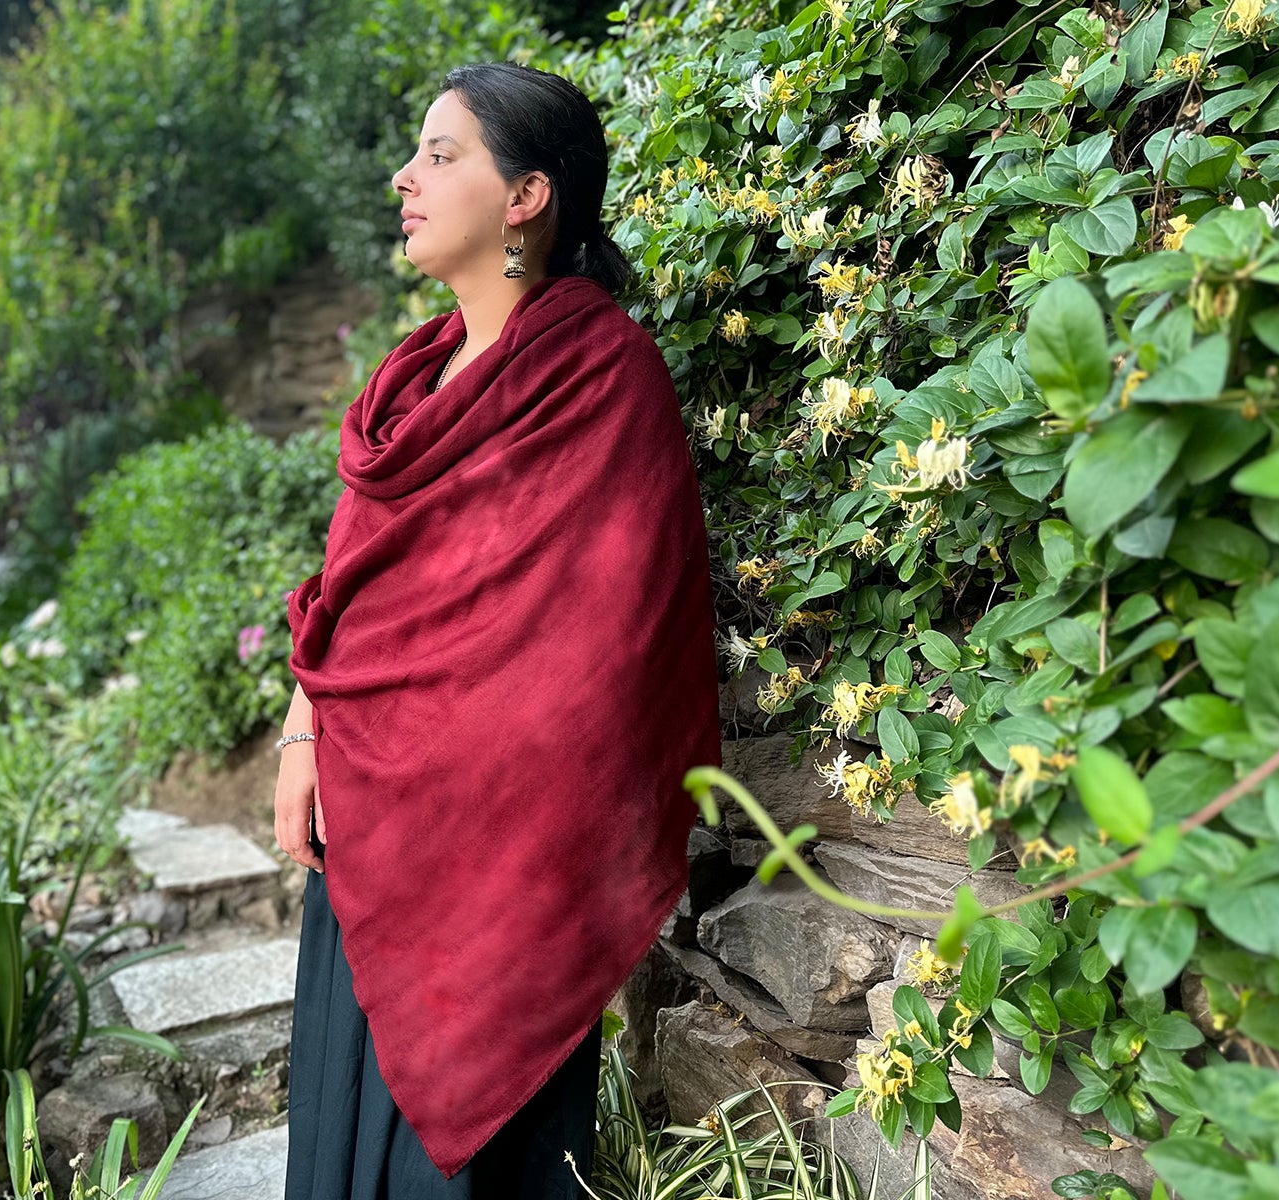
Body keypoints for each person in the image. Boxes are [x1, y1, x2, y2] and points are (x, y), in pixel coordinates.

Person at [274, 60, 722, 1200]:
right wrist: (300, 736)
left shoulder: (599, 376)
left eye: (439, 155)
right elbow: (346, 599)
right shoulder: (407, 386)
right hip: (366, 844)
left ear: (525, 197)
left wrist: (457, 779)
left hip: (501, 874)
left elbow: (601, 659)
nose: (402, 179)